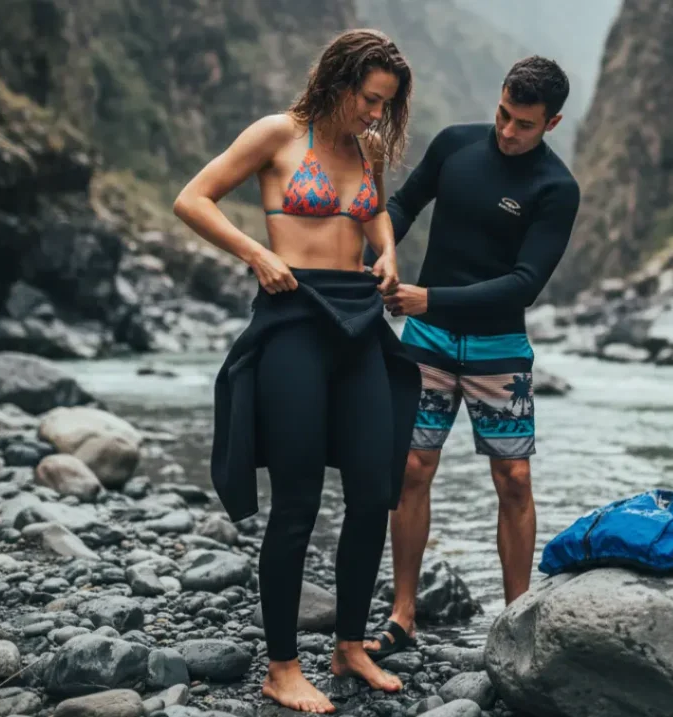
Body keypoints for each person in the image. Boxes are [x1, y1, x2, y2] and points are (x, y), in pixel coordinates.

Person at [173, 29, 420, 713]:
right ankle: (282, 665)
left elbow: (374, 217)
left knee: (374, 488)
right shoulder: (277, 134)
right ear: (340, 82)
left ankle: (348, 644)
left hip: (360, 322)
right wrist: (257, 253)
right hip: (293, 321)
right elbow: (193, 199)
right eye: (369, 99)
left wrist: (389, 254)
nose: (376, 114)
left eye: (386, 104)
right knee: (299, 501)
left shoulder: (366, 148)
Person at [363, 56, 581, 660]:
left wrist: (427, 297)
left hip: (498, 348)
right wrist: (378, 254)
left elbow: (524, 284)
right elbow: (401, 206)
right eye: (504, 114)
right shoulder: (456, 146)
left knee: (513, 480)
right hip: (427, 342)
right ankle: (403, 614)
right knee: (410, 468)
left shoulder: (557, 189)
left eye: (525, 125)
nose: (508, 131)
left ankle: (514, 622)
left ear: (552, 122)